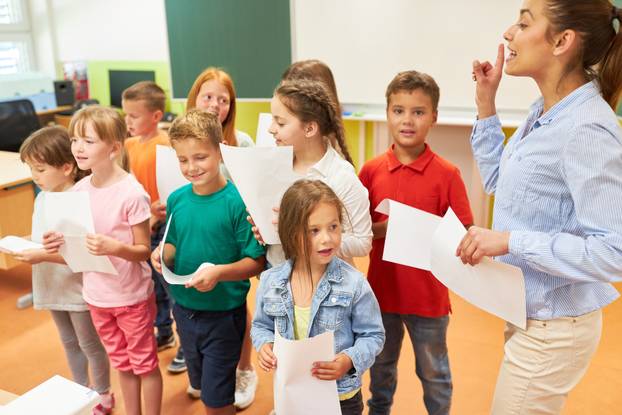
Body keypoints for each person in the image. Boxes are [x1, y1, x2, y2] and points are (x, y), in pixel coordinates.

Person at [457, 1, 622, 413]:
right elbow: (501, 184)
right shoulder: (544, 112)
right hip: (528, 316)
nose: (509, 33)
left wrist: (511, 242)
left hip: (554, 330)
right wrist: (485, 105)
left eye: (524, 23)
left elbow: (614, 252)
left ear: (563, 41)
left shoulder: (586, 128)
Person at [359, 71, 474, 415]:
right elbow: (360, 232)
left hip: (429, 299)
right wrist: (394, 228)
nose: (407, 120)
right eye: (398, 110)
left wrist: (426, 230)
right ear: (387, 113)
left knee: (434, 373)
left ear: (434, 117)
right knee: (380, 369)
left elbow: (464, 232)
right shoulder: (371, 171)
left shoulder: (448, 174)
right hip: (381, 296)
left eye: (418, 112)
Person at [44, 106, 163, 415]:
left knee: (144, 364)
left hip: (131, 296)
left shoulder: (131, 193)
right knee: (121, 362)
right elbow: (74, 248)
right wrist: (57, 243)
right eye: (74, 139)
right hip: (97, 297)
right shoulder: (79, 190)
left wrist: (114, 247)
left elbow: (142, 251)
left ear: (113, 148)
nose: (78, 148)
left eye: (88, 140)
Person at [150, 109, 266, 415]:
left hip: (224, 317)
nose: (191, 167)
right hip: (184, 312)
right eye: (183, 160)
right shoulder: (176, 199)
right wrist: (161, 254)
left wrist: (219, 273)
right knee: (202, 387)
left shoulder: (237, 203)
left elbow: (255, 262)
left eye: (200, 157)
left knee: (217, 401)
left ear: (220, 152)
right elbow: (173, 241)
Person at [251, 179, 385, 415]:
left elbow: (373, 335)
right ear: (291, 234)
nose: (327, 238)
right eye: (314, 230)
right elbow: (261, 326)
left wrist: (348, 360)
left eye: (333, 227)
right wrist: (264, 345)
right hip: (292, 395)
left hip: (341, 398)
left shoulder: (354, 284)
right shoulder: (271, 282)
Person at [13, 126, 112, 415]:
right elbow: (43, 237)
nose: (34, 176)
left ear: (67, 167)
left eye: (40, 169)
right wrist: (29, 247)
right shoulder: (43, 197)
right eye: (31, 169)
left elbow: (76, 255)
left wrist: (38, 254)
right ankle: (80, 392)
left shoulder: (79, 199)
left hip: (76, 285)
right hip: (51, 281)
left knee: (89, 343)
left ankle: (102, 394)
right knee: (69, 342)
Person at [183, 66, 258, 408]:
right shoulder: (181, 139)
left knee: (234, 308)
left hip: (230, 238)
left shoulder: (240, 143)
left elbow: (255, 191)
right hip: (192, 233)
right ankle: (204, 361)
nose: (214, 105)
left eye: (223, 99)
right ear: (195, 98)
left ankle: (243, 368)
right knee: (191, 302)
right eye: (207, 96)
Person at [253, 78, 372, 267]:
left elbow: (362, 243)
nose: (271, 129)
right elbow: (273, 234)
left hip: (323, 284)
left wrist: (307, 237)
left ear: (309, 128)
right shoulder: (274, 164)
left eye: (281, 123)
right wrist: (265, 231)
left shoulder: (340, 177)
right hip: (278, 275)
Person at [122, 81, 175, 353]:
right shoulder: (129, 145)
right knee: (153, 287)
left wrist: (155, 215)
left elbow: (169, 190)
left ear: (155, 116)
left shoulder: (165, 145)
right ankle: (164, 331)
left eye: (134, 115)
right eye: (125, 115)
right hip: (141, 225)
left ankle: (181, 342)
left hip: (162, 226)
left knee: (169, 284)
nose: (127, 121)